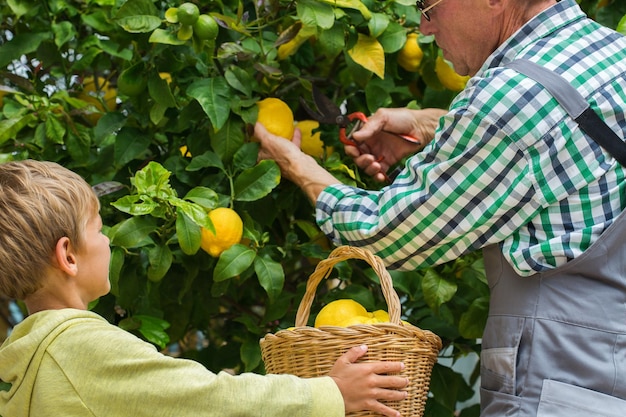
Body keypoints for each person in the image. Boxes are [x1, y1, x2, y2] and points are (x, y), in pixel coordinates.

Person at [255, 0, 626, 416]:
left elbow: (385, 233)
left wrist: (296, 165)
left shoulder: (509, 99)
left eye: (428, 7)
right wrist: (432, 126)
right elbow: (563, 130)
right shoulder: (613, 52)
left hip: (559, 390)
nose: (424, 28)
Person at [0, 159, 409, 417]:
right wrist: (331, 393)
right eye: (100, 229)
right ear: (68, 256)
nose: (108, 240)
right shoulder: (82, 348)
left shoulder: (29, 360)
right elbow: (211, 400)